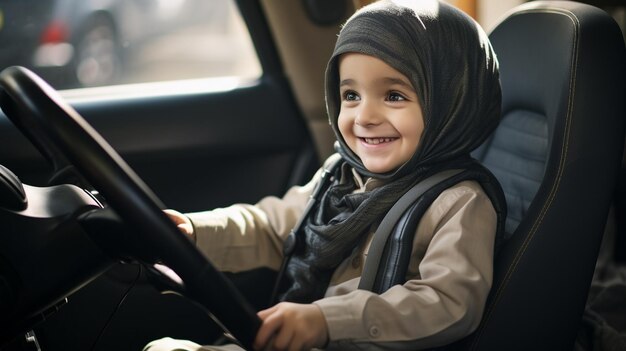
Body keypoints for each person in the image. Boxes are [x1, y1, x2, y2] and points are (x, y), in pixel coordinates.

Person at [145, 0, 506, 350]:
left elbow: (447, 303)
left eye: (394, 95)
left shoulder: (460, 201)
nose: (364, 117)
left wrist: (326, 320)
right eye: (351, 94)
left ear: (452, 101)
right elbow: (273, 228)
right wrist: (194, 232)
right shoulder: (341, 174)